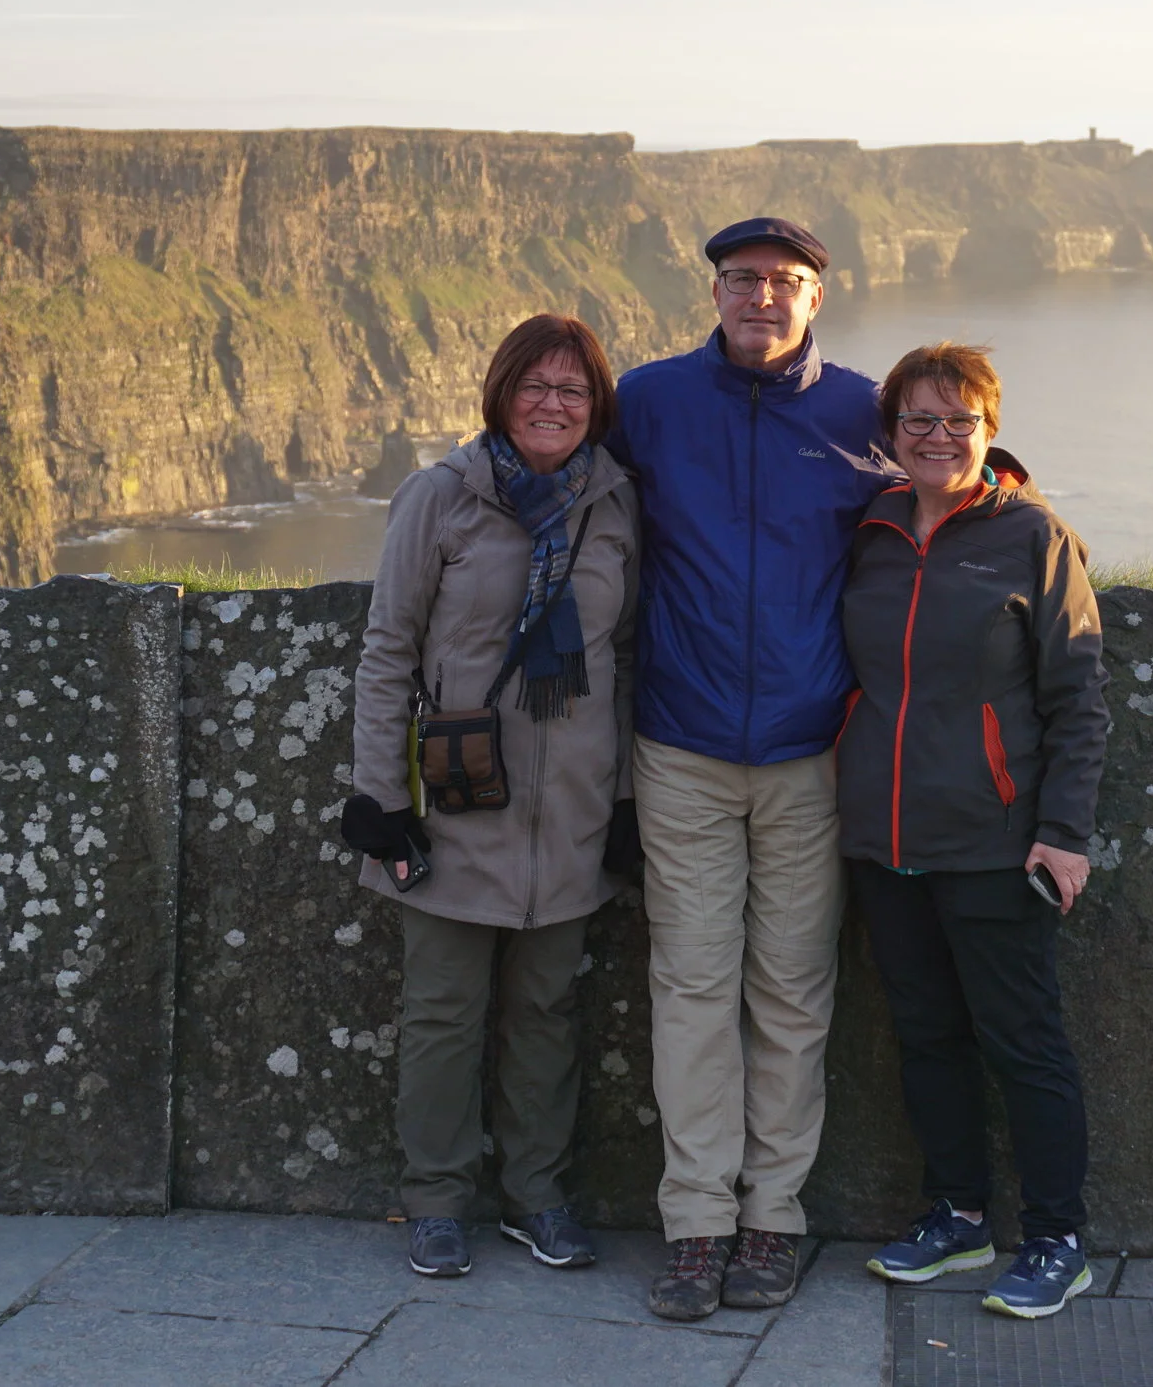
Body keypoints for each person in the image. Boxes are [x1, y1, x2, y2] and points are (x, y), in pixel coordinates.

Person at [606, 217, 896, 1320]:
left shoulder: (861, 409)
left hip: (811, 748)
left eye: (785, 281)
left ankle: (773, 1215)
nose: (763, 296)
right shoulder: (651, 399)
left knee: (790, 988)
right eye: (743, 278)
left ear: (819, 295)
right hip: (679, 742)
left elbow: (948, 483)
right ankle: (695, 1224)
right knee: (688, 986)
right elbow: (564, 476)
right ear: (714, 289)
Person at [342, 313, 644, 1279]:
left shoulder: (615, 504)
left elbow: (628, 658)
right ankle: (435, 1200)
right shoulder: (441, 498)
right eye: (535, 385)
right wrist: (377, 796)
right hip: (459, 798)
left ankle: (537, 1197)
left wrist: (628, 799)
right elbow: (388, 649)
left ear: (595, 408)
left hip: (573, 806)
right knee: (442, 1009)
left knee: (547, 1011)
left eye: (574, 390)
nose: (553, 404)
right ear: (500, 393)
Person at [836, 341, 1110, 1320]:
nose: (939, 436)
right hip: (882, 834)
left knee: (1022, 1038)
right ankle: (955, 1212)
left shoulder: (1034, 535)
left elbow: (1077, 698)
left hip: (995, 837)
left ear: (989, 431)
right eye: (919, 419)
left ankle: (1057, 1237)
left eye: (960, 421)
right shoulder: (867, 530)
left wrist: (1063, 830)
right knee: (924, 1033)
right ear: (892, 432)